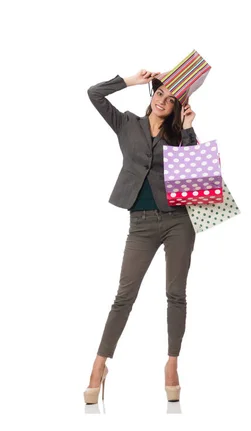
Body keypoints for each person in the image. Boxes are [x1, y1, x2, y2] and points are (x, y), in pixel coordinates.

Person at [83, 68, 198, 404]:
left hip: (179, 221)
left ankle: (172, 364)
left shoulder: (179, 134)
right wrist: (131, 81)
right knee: (124, 296)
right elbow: (94, 94)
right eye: (159, 94)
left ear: (177, 106)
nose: (162, 101)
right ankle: (99, 365)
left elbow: (194, 173)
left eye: (170, 99)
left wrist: (189, 130)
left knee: (175, 294)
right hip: (141, 223)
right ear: (152, 96)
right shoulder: (127, 125)